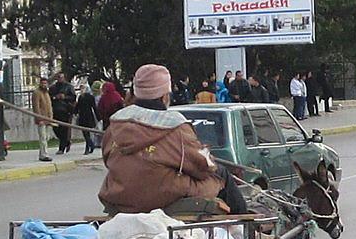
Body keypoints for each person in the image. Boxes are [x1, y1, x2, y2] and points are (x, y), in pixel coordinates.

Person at [98, 64, 247, 215]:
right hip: (162, 196)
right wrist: (210, 161)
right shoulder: (175, 127)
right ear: (164, 96)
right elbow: (202, 166)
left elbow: (107, 159)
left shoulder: (115, 125)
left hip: (119, 195)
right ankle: (245, 229)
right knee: (221, 175)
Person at [49, 72, 76, 155]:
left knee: (64, 129)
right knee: (55, 128)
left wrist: (65, 97)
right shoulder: (53, 88)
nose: (60, 78)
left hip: (65, 110)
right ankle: (66, 141)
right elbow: (49, 97)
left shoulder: (69, 87)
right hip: (55, 110)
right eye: (58, 77)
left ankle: (62, 148)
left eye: (61, 77)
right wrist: (55, 97)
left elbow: (73, 97)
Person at [76, 83, 100, 155]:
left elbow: (94, 107)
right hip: (82, 116)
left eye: (83, 88)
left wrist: (98, 117)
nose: (82, 90)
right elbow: (78, 107)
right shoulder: (80, 97)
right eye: (81, 88)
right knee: (85, 133)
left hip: (88, 116)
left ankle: (90, 146)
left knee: (87, 133)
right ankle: (89, 146)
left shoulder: (90, 97)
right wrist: (74, 112)